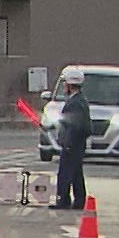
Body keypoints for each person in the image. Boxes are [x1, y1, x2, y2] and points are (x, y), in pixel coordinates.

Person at [50, 66, 92, 210]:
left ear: (69, 85)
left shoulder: (75, 103)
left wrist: (68, 142)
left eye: (64, 84)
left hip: (72, 145)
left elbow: (75, 125)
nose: (63, 87)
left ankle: (64, 201)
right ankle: (79, 201)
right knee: (75, 173)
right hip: (75, 144)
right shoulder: (79, 101)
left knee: (65, 173)